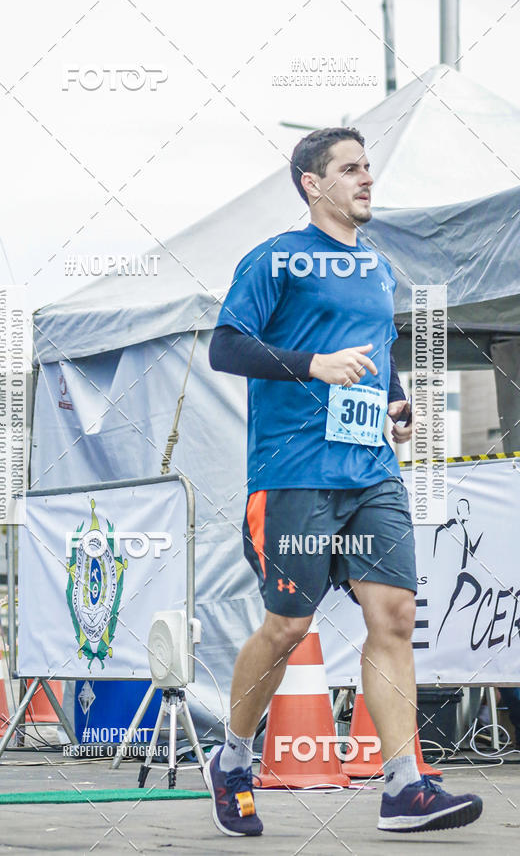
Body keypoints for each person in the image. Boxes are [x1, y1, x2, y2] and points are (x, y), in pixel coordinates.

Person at [204, 127, 483, 836]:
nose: (366, 179)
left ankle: (404, 788)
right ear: (312, 183)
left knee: (392, 616)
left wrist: (396, 402)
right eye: (350, 169)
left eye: (368, 167)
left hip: (371, 471)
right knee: (288, 626)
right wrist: (312, 364)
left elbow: (376, 354)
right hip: (294, 472)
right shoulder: (275, 260)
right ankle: (234, 758)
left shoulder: (378, 269)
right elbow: (226, 346)